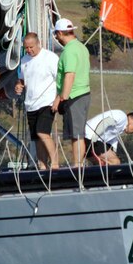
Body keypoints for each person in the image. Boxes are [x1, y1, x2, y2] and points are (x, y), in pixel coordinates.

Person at [14, 32, 59, 169]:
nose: (29, 50)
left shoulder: (50, 57)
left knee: (42, 132)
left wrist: (58, 98)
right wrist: (19, 85)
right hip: (30, 104)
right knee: (35, 137)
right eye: (26, 48)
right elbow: (22, 79)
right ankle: (42, 165)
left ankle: (55, 163)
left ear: (38, 43)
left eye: (31, 47)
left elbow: (60, 79)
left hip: (46, 102)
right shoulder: (24, 60)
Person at [51, 18, 91, 167]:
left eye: (56, 35)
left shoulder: (69, 51)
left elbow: (70, 75)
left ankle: (78, 165)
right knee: (78, 132)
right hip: (83, 93)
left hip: (74, 95)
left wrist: (63, 98)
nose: (57, 39)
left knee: (76, 134)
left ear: (60, 33)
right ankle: (78, 164)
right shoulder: (81, 47)